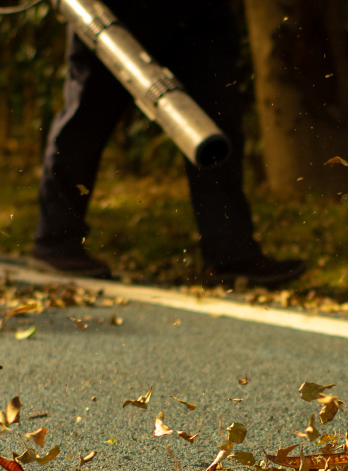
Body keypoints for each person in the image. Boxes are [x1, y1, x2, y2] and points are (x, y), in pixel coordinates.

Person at [32, 1, 304, 286]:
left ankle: (231, 252)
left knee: (216, 123)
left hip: (198, 8)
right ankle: (56, 239)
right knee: (88, 116)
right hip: (114, 7)